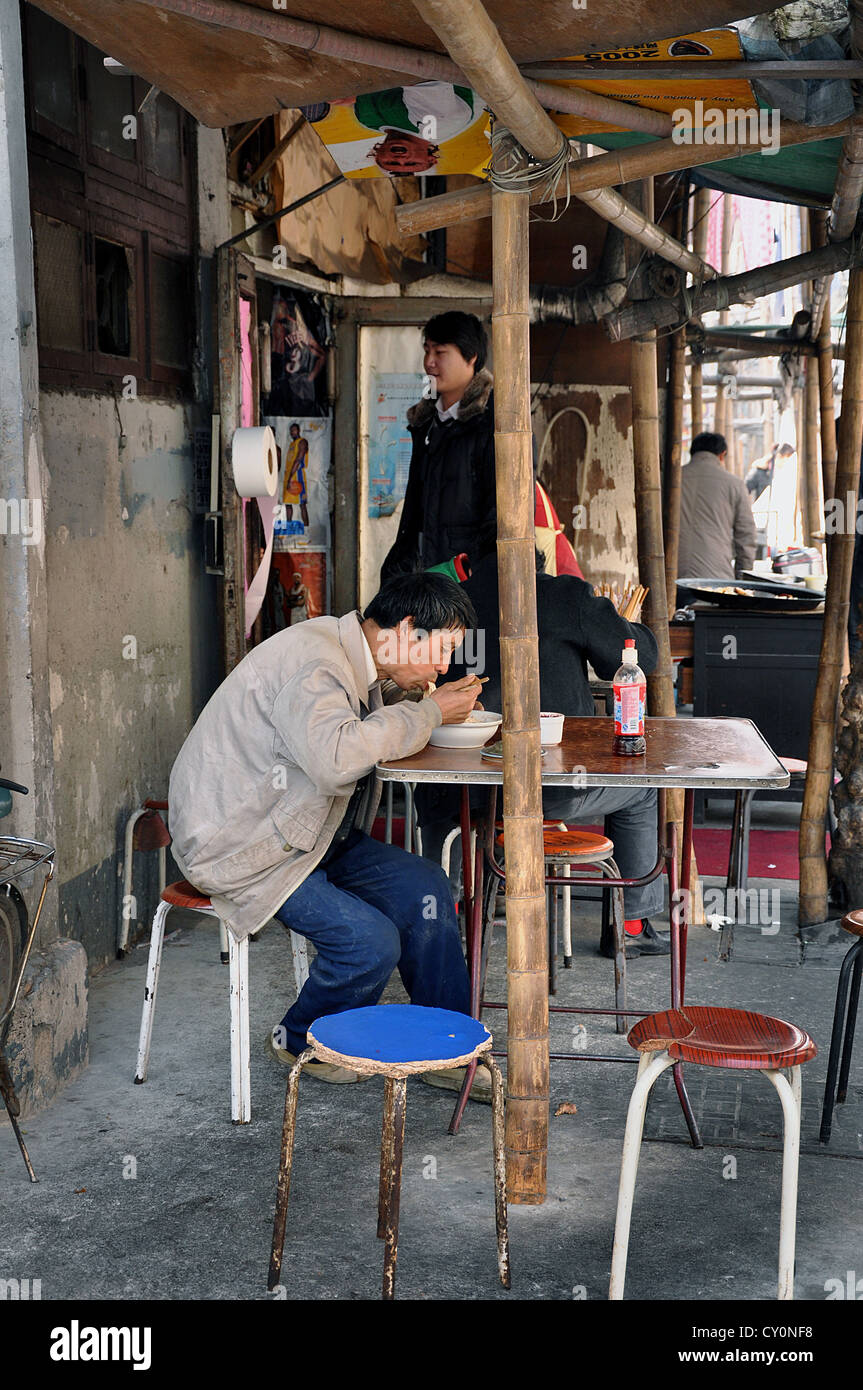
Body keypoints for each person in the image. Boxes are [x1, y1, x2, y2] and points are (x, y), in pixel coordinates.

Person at [169, 573, 493, 1096]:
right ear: (407, 629)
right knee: (368, 942)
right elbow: (335, 759)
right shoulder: (317, 663)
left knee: (425, 887)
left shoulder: (346, 652)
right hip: (245, 844)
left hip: (309, 832)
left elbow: (347, 731)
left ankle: (446, 1046)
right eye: (442, 650)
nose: (442, 667)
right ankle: (300, 1040)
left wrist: (423, 709)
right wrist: (430, 712)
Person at [419, 550, 670, 958]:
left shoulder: (449, 602)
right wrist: (630, 627)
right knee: (641, 790)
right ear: (539, 562)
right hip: (553, 789)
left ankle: (440, 917)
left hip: (463, 792)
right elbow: (636, 657)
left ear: (469, 563)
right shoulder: (565, 596)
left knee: (433, 784)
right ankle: (631, 925)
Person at [381, 311, 496, 582]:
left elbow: (500, 520)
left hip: (468, 586)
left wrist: (475, 575)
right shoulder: (427, 424)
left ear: (472, 358)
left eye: (440, 352)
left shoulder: (496, 426)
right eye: (427, 350)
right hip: (426, 579)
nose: (429, 363)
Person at [676, 431, 758, 580]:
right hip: (716, 578)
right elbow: (746, 535)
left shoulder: (672, 481)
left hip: (673, 575)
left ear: (693, 452)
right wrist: (742, 577)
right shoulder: (734, 484)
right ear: (722, 455)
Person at [282, 422, 310, 528]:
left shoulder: (302, 442)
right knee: (287, 503)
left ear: (298, 431)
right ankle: (289, 527)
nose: (292, 432)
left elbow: (298, 460)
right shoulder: (291, 444)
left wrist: (290, 478)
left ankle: (306, 528)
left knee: (302, 504)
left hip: (297, 476)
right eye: (291, 430)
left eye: (294, 430)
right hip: (289, 475)